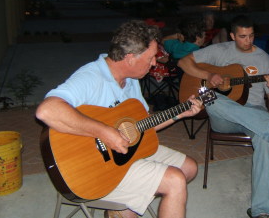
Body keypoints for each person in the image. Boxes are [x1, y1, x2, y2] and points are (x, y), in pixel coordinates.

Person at [35, 20, 204, 218]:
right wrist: (105, 132)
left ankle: (124, 205)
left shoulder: (132, 81)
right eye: (151, 58)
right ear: (130, 58)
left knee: (189, 168)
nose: (154, 64)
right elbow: (46, 111)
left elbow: (143, 126)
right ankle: (123, 205)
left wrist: (179, 113)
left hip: (130, 154)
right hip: (93, 168)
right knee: (174, 180)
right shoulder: (91, 77)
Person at [178, 15, 269, 218]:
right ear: (232, 36)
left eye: (251, 36)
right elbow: (183, 63)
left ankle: (262, 211)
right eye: (242, 36)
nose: (248, 41)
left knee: (266, 139)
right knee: (209, 96)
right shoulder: (220, 50)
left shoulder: (264, 59)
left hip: (255, 112)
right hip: (224, 116)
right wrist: (209, 76)